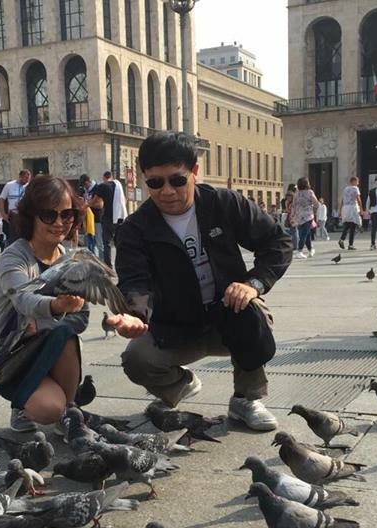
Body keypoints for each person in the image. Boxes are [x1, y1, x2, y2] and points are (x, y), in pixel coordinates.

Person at [113, 132, 292, 432]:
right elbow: (135, 281)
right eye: (155, 183)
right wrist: (135, 315)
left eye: (177, 180)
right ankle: (180, 385)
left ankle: (246, 398)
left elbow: (278, 242)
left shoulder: (224, 203)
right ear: (144, 179)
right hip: (175, 326)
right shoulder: (135, 228)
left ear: (194, 171)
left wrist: (254, 284)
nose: (167, 191)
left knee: (253, 313)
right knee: (137, 358)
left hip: (227, 314)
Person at [0, 175, 88, 432]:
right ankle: (23, 407)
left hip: (49, 349)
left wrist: (40, 326)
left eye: (67, 214)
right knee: (49, 408)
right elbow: (23, 298)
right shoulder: (13, 257)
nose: (59, 223)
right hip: (11, 359)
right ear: (31, 216)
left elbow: (81, 317)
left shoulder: (71, 261)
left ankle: (68, 412)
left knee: (66, 334)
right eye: (49, 215)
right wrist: (57, 307)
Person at [91, 170, 128, 267]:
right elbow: (124, 201)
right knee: (118, 243)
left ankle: (108, 266)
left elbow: (95, 201)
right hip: (120, 218)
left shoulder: (103, 186)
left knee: (106, 244)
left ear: (104, 178)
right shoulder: (119, 186)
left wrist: (86, 204)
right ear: (111, 177)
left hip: (108, 218)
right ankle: (121, 264)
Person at [0, 169, 30, 249]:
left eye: (28, 178)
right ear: (20, 177)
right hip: (13, 216)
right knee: (13, 240)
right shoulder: (9, 185)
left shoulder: (29, 186)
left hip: (25, 216)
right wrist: (3, 214)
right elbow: (1, 199)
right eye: (26, 178)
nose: (27, 180)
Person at [290, 177, 320, 258]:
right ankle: (299, 251)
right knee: (304, 234)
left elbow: (293, 205)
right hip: (308, 216)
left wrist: (292, 216)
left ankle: (310, 250)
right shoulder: (310, 192)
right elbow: (316, 203)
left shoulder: (296, 194)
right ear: (307, 184)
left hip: (299, 217)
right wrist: (314, 208)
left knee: (307, 234)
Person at [80, 173, 103, 257]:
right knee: (90, 243)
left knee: (99, 243)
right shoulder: (84, 191)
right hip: (88, 219)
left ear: (88, 181)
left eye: (85, 185)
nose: (84, 187)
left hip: (97, 219)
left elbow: (100, 205)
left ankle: (102, 261)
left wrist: (88, 204)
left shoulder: (97, 188)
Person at [338, 176, 362, 250]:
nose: (358, 183)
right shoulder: (355, 188)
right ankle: (350, 245)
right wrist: (361, 209)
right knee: (353, 226)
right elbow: (358, 199)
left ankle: (342, 239)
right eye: (357, 182)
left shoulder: (345, 189)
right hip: (353, 208)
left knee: (347, 225)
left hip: (345, 208)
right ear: (353, 181)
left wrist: (340, 210)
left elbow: (342, 200)